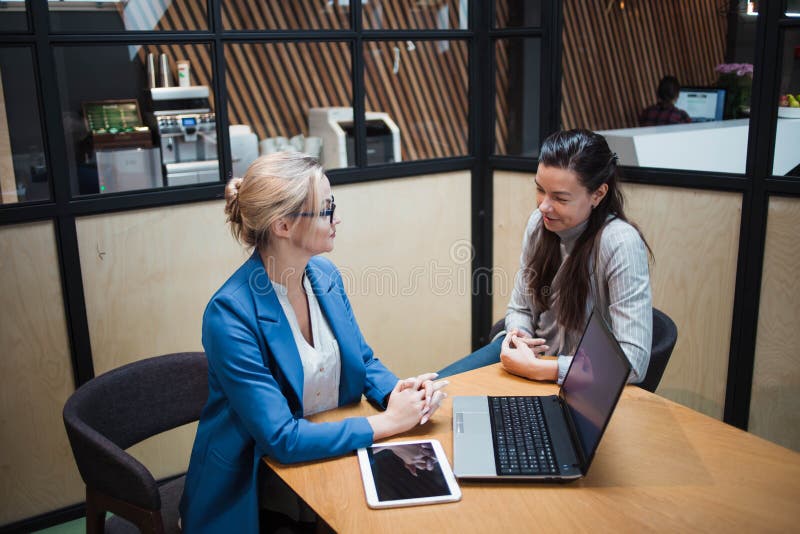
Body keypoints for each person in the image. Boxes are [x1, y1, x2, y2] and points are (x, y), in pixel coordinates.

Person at [179, 152, 447, 533]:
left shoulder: (324, 275)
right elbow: (281, 439)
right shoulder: (229, 314)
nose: (337, 220)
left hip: (328, 461)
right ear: (283, 225)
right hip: (257, 486)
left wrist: (398, 394)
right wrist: (387, 423)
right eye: (326, 210)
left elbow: (363, 360)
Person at [438, 129, 652, 385]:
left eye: (560, 198)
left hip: (579, 383)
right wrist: (520, 337)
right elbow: (519, 307)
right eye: (541, 190)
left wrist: (544, 370)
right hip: (533, 361)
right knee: (436, 388)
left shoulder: (620, 243)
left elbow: (632, 363)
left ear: (598, 194)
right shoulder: (539, 224)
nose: (543, 206)